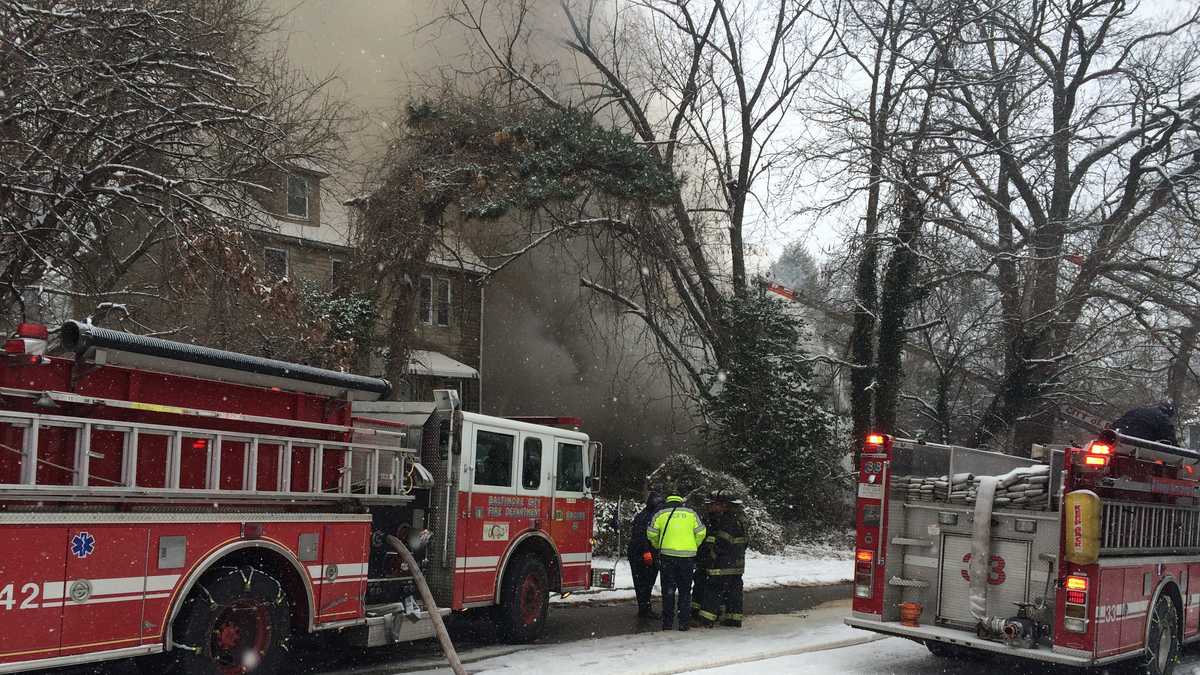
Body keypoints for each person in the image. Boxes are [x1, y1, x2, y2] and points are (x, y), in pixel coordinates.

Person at [647, 492, 707, 631]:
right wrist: (694, 545)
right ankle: (683, 622)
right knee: (685, 591)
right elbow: (701, 532)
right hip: (687, 558)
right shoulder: (691, 513)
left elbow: (651, 533)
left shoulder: (660, 514)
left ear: (667, 500)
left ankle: (667, 622)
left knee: (668, 590)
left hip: (667, 557)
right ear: (681, 501)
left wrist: (658, 545)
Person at [697, 490, 748, 628]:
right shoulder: (741, 519)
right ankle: (733, 619)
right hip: (737, 563)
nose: (714, 507)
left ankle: (706, 619)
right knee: (734, 591)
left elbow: (722, 542)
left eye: (717, 504)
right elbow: (744, 543)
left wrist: (712, 556)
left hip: (722, 564)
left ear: (725, 505)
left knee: (713, 589)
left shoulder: (727, 520)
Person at [628, 492, 664, 618]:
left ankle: (644, 608)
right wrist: (646, 551)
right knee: (645, 582)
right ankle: (645, 608)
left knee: (643, 583)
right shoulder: (649, 516)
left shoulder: (644, 515)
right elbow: (641, 535)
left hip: (640, 552)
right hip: (643, 553)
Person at [1113, 401, 1179, 445]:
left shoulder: (1137, 410)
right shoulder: (1162, 418)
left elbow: (1119, 422)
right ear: (1168, 413)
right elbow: (1170, 438)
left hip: (1118, 440)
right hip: (1139, 445)